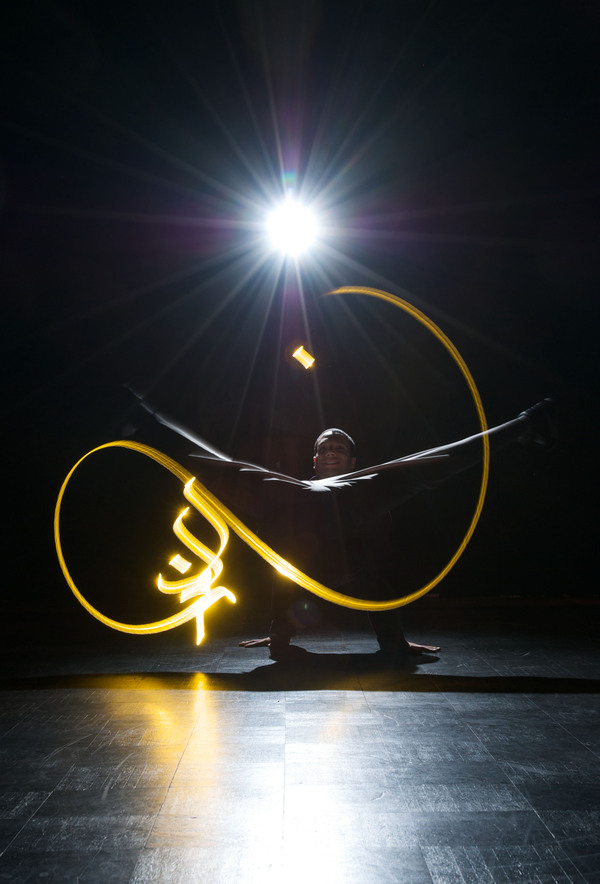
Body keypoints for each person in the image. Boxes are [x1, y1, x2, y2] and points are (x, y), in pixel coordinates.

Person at [238, 401, 556, 664]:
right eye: (324, 448)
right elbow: (278, 562)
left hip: (346, 561)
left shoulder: (366, 494)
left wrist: (394, 641)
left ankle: (526, 423)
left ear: (352, 461)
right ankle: (527, 423)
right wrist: (278, 633)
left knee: (426, 467)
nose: (331, 452)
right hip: (306, 559)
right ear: (315, 459)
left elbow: (378, 572)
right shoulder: (294, 496)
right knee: (245, 493)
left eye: (339, 448)